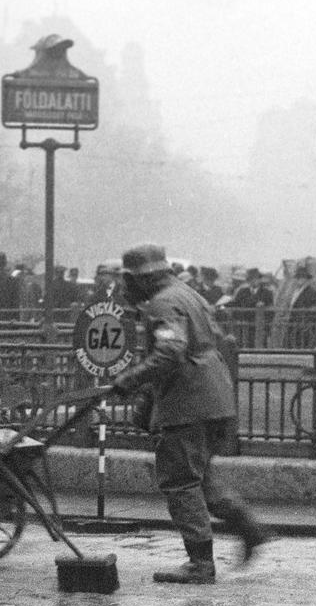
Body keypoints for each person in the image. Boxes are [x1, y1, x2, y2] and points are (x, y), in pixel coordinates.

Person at [109, 244, 268, 583]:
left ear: (140, 279)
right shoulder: (188, 295)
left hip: (188, 403)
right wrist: (147, 402)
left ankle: (200, 563)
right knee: (201, 479)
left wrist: (129, 380)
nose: (126, 288)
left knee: (180, 481)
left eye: (128, 281)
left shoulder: (162, 303)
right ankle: (249, 528)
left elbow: (170, 352)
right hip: (214, 398)